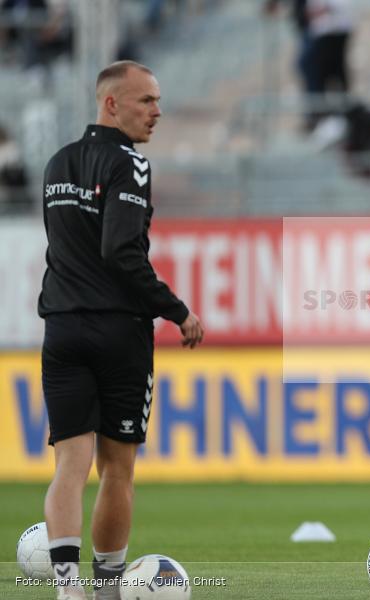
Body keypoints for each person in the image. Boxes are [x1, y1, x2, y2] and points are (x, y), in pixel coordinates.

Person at [38, 60, 203, 600]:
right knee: (117, 469)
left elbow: (68, 249)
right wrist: (177, 310)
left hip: (61, 328)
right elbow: (121, 252)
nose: (157, 112)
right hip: (117, 332)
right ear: (112, 104)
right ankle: (107, 590)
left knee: (69, 463)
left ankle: (68, 589)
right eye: (146, 101)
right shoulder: (129, 163)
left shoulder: (57, 163)